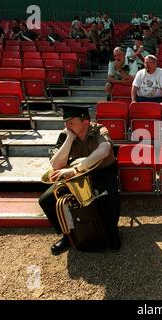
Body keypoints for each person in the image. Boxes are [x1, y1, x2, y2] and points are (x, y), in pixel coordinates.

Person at [39, 105, 121, 255]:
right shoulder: (65, 135)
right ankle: (67, 235)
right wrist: (70, 138)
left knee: (111, 197)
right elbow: (56, 164)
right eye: (65, 122)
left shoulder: (99, 129)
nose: (66, 126)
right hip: (77, 175)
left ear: (85, 123)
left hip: (102, 171)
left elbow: (104, 150)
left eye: (71, 122)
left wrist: (75, 169)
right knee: (47, 200)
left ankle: (112, 232)